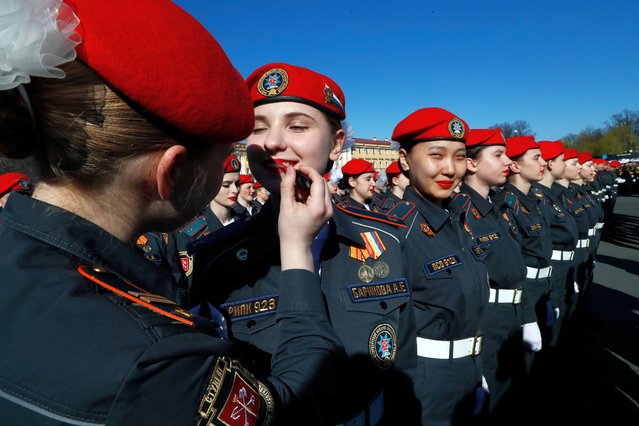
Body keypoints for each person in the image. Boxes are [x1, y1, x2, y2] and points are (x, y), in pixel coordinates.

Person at [0, 1, 342, 424]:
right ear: (173, 172)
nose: (270, 146)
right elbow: (294, 402)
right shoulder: (156, 356)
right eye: (225, 156)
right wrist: (296, 251)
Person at [189, 62, 420, 425]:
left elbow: (403, 365)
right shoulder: (217, 260)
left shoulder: (387, 239)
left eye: (297, 126)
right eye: (258, 128)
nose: (273, 142)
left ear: (336, 144)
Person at [392, 107, 489, 425]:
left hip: (470, 367)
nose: (450, 169)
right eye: (436, 155)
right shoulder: (395, 230)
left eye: (459, 157)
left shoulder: (459, 218)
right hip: (425, 382)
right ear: (405, 160)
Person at [453, 128, 528, 418]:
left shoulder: (495, 208)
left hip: (513, 312)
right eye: (498, 155)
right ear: (472, 164)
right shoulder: (460, 212)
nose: (507, 161)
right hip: (488, 320)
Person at [533, 141, 579, 349]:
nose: (577, 167)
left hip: (565, 267)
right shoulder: (538, 198)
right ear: (551, 164)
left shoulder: (553, 195)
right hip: (552, 270)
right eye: (565, 161)